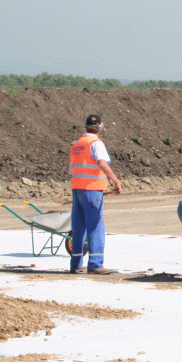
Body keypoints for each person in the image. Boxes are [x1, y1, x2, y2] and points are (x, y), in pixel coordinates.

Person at [68, 114, 122, 274]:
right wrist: (115, 180)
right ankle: (96, 264)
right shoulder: (95, 143)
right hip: (92, 191)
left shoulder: (77, 145)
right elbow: (101, 162)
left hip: (77, 190)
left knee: (79, 228)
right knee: (96, 226)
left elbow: (72, 171)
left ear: (86, 126)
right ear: (99, 128)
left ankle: (75, 265)